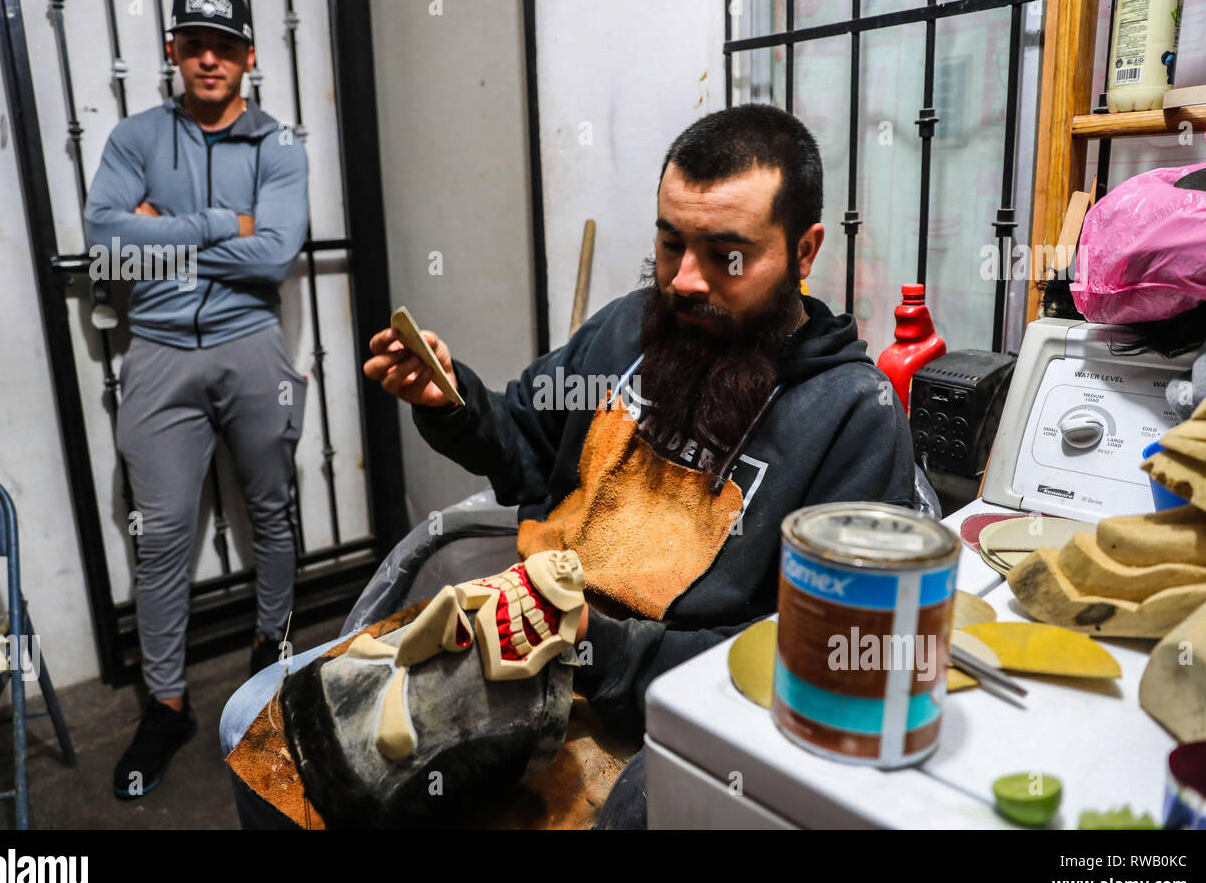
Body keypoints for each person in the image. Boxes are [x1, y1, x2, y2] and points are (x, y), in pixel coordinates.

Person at [220, 103, 916, 828]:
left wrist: (596, 643)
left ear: (804, 253)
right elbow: (525, 445)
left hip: (659, 696)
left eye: (726, 254)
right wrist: (454, 404)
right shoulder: (631, 328)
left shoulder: (852, 419)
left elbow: (807, 663)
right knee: (260, 727)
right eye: (671, 242)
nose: (683, 279)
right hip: (530, 638)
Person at [83, 0, 310, 800]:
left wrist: (166, 234)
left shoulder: (279, 145)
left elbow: (278, 253)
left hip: (253, 349)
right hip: (158, 357)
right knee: (163, 537)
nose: (208, 58)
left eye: (224, 46)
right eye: (191, 44)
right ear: (173, 54)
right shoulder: (136, 137)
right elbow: (107, 240)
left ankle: (273, 660)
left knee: (275, 512)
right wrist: (224, 225)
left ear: (250, 57)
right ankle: (168, 702)